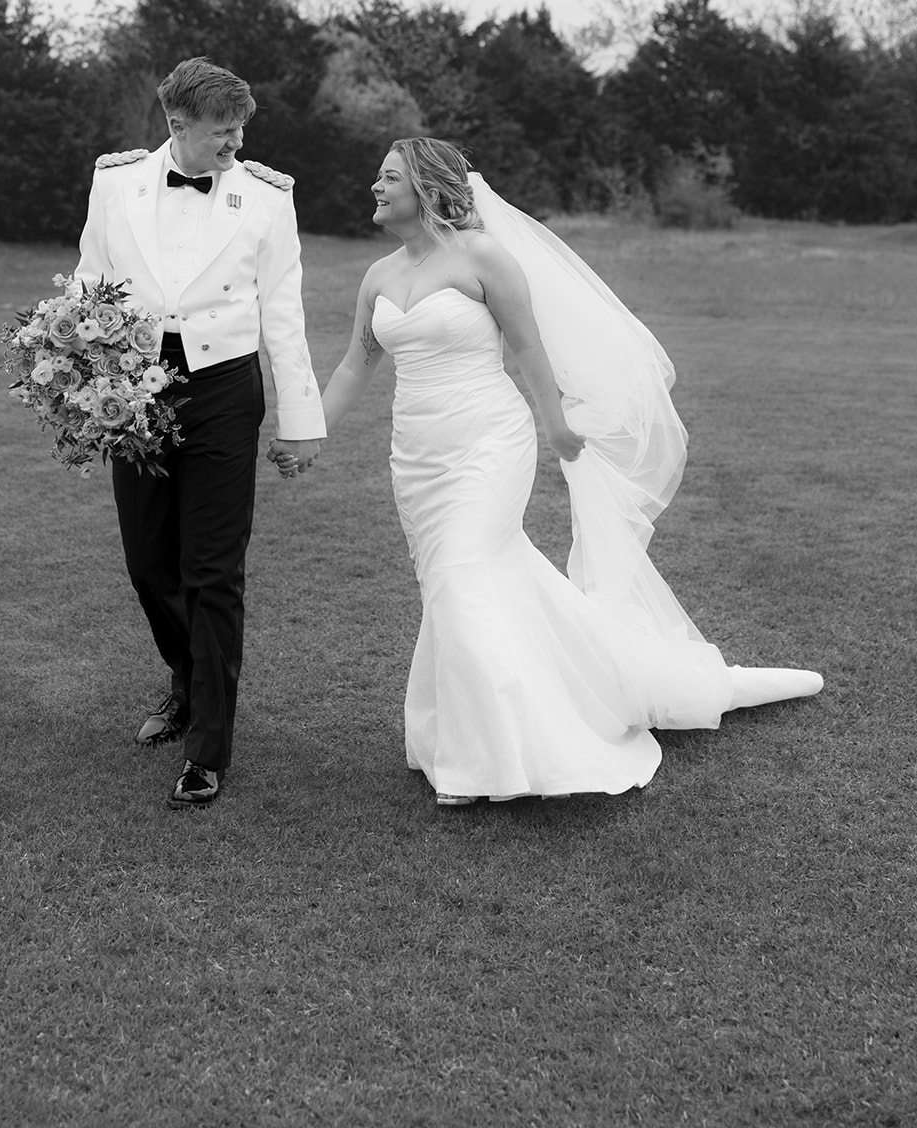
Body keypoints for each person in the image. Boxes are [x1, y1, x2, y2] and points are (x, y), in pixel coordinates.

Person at [314, 137, 822, 807]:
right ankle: (600, 682)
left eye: (387, 178)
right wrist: (309, 430)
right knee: (462, 584)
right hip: (416, 459)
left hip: (489, 446)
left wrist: (555, 425)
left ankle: (484, 761)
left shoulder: (485, 257)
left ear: (429, 190)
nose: (374, 188)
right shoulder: (379, 275)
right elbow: (357, 363)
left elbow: (528, 347)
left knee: (462, 576)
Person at [76, 57, 325, 809]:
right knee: (150, 564)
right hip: (134, 388)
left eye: (242, 128)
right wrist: (87, 388)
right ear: (176, 126)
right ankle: (187, 680)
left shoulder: (268, 197)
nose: (237, 142)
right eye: (224, 130)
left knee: (212, 570)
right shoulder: (115, 182)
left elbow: (283, 312)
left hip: (223, 388)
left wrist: (300, 421)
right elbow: (91, 283)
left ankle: (208, 746)